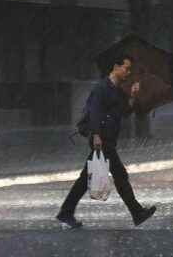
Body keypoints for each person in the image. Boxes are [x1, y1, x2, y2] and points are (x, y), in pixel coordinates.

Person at [56, 54, 157, 229]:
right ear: (115, 67)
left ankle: (66, 212)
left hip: (107, 138)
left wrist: (132, 96)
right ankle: (137, 212)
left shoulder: (117, 91)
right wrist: (96, 135)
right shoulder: (101, 88)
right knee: (120, 175)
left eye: (129, 69)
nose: (128, 72)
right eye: (126, 68)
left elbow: (123, 113)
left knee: (85, 180)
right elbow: (95, 112)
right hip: (101, 139)